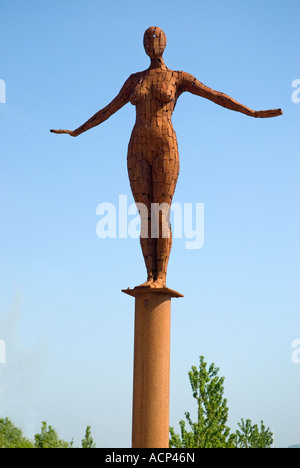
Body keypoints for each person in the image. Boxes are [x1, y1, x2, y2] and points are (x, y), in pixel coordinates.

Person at [51, 26, 282, 288]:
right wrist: (76, 132)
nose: (151, 43)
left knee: (160, 212)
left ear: (165, 43)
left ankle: (161, 276)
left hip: (165, 147)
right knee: (144, 214)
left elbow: (215, 95)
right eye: (146, 40)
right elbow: (107, 110)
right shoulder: (134, 80)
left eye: (156, 38)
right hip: (136, 147)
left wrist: (251, 112)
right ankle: (149, 276)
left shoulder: (177, 77)